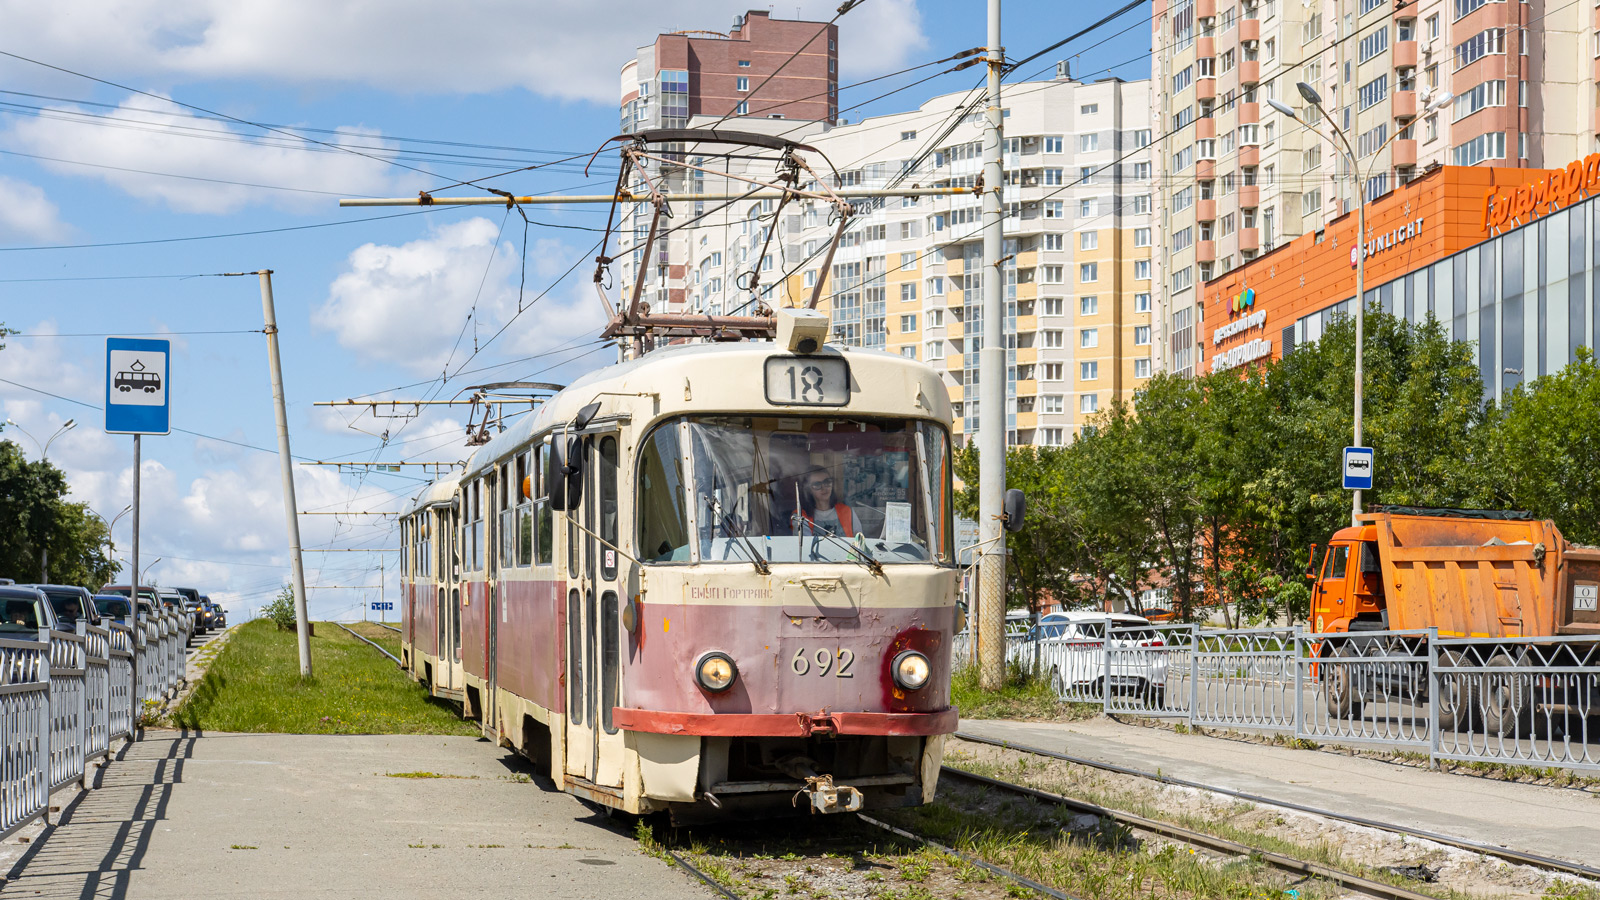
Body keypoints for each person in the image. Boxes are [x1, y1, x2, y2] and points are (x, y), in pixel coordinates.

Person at [797, 466, 858, 538]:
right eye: (817, 484)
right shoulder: (800, 516)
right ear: (809, 490)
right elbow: (805, 546)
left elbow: (860, 541)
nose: (824, 488)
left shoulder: (847, 512)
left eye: (827, 482)